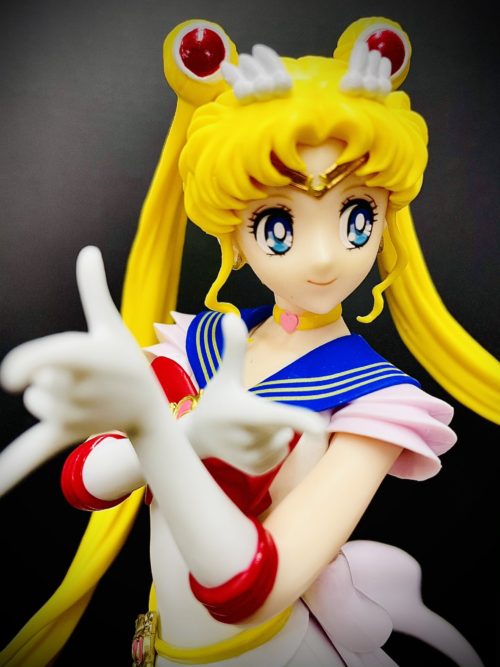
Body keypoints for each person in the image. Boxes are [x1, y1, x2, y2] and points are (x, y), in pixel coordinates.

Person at [0, 16, 498, 667]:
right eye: (279, 225)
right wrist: (152, 435)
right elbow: (87, 485)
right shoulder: (198, 341)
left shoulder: (378, 403)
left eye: (356, 216)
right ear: (234, 234)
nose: (324, 257)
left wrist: (161, 437)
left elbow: (250, 590)